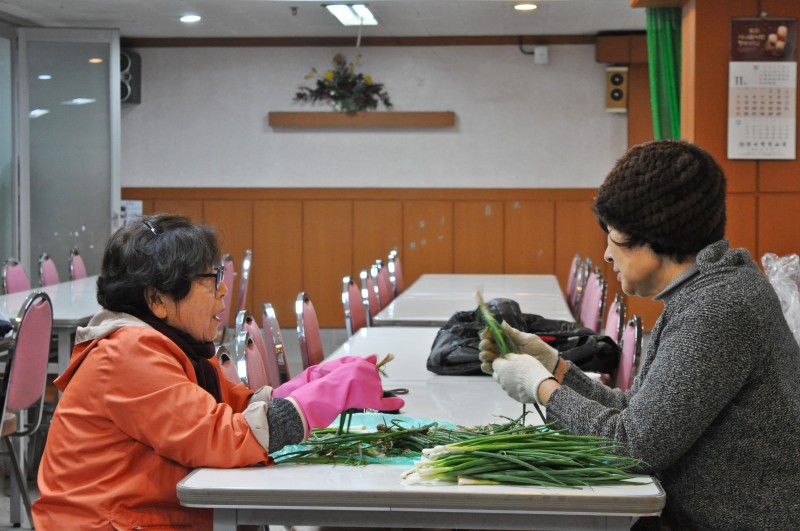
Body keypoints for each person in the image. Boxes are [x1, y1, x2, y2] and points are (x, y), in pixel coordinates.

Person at [480, 140, 800, 530]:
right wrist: (556, 367)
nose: (607, 255)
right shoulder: (708, 289)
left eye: (614, 237)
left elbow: (632, 446)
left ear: (655, 237)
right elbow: (638, 414)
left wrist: (540, 386)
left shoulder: (718, 309)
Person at [33, 214, 403, 530]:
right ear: (157, 299)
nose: (224, 290)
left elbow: (233, 406)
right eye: (210, 279)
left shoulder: (176, 344)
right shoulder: (126, 354)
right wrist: (319, 401)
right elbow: (223, 438)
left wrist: (311, 384)